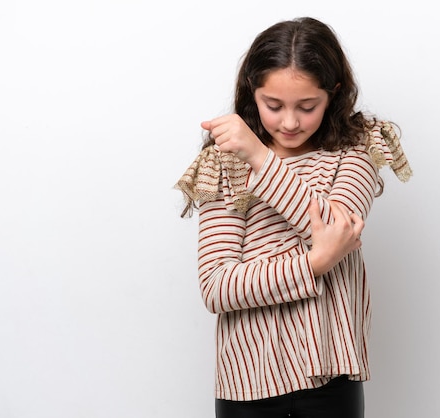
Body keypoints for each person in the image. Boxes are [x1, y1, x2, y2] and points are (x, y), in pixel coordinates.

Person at [175, 16, 412, 418]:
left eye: (307, 106)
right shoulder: (223, 161)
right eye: (273, 105)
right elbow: (217, 288)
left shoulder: (357, 147)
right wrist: (315, 263)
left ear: (332, 94)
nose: (289, 122)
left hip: (331, 380)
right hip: (247, 382)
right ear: (254, 92)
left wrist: (260, 157)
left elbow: (339, 229)